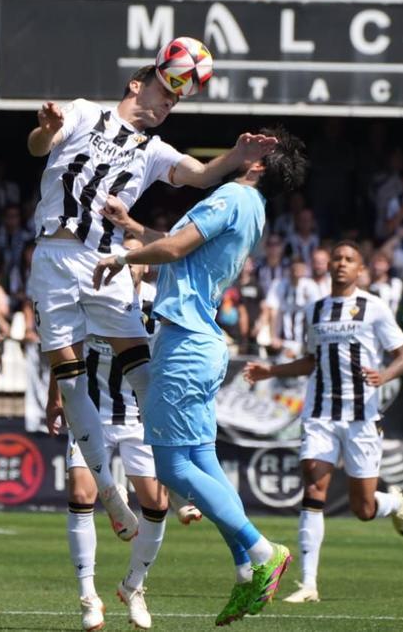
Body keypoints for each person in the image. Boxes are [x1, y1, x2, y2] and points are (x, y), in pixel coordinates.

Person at [26, 54, 272, 543]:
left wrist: (236, 156)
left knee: (144, 375)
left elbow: (201, 176)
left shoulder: (153, 149)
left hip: (108, 261)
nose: (167, 104)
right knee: (72, 385)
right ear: (138, 83)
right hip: (53, 255)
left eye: (176, 100)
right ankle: (110, 494)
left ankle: (175, 480)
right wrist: (45, 127)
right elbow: (40, 146)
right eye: (165, 91)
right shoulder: (83, 112)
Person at [92, 126, 307, 625]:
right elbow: (179, 248)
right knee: (201, 462)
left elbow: (172, 252)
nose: (248, 144)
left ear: (260, 162)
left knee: (170, 468)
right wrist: (133, 225)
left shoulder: (232, 194)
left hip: (185, 341)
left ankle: (260, 551)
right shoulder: (254, 209)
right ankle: (243, 567)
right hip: (202, 341)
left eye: (259, 143)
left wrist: (121, 254)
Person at [245, 241, 403, 604]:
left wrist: (385, 376)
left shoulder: (375, 308)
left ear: (360, 269)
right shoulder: (315, 310)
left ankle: (393, 503)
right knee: (313, 481)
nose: (341, 263)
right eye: (336, 258)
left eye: (349, 259)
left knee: (363, 508)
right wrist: (270, 371)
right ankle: (308, 584)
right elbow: (311, 361)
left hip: (362, 416)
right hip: (320, 412)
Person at [48, 333, 171, 630]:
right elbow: (63, 347)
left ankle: (134, 585)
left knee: (156, 502)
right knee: (79, 493)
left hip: (138, 417)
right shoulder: (86, 298)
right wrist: (55, 399)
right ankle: (88, 596)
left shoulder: (156, 302)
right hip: (89, 412)